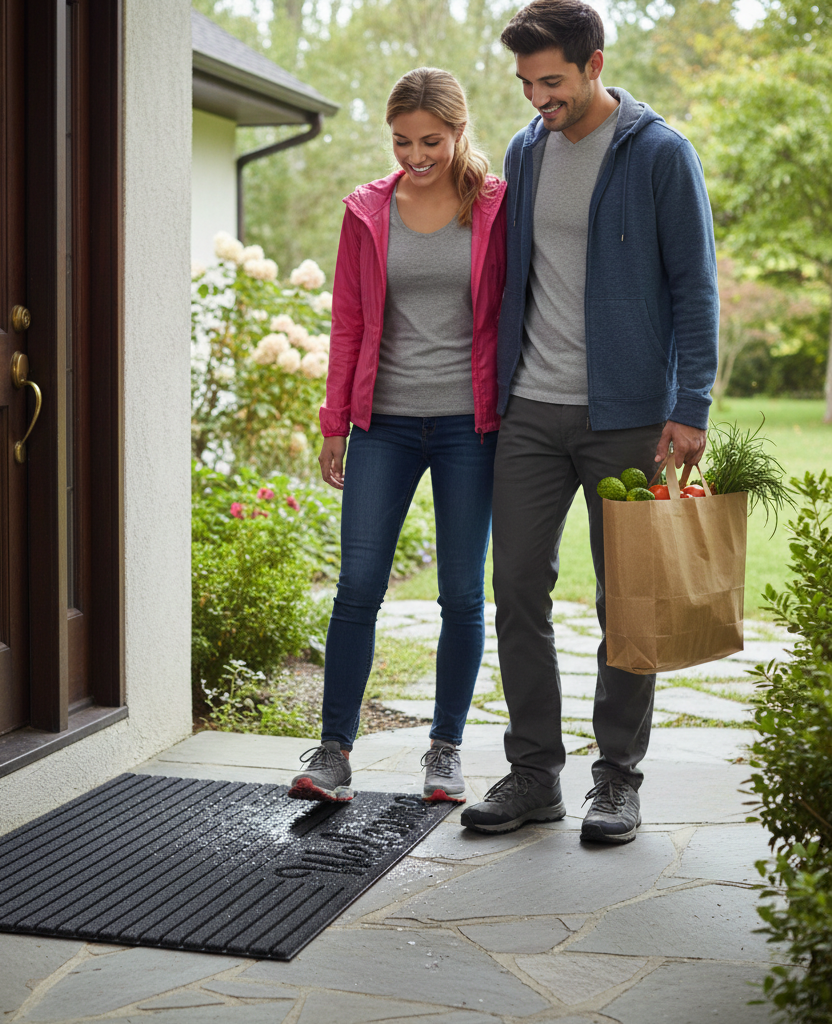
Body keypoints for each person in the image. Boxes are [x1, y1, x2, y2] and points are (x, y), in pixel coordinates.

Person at [460, 0, 719, 843]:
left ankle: (618, 779)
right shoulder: (526, 150)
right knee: (516, 590)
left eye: (554, 82)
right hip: (531, 409)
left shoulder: (660, 153)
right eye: (529, 83)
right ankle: (535, 773)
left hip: (629, 419)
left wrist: (691, 407)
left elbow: (695, 285)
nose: (540, 99)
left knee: (629, 602)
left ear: (595, 64)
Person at [287, 67, 508, 805]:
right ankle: (333, 752)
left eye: (432, 142)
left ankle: (444, 751)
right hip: (381, 422)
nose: (415, 156)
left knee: (461, 594)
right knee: (357, 586)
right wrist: (334, 425)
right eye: (403, 142)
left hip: (467, 428)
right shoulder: (367, 212)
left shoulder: (496, 206)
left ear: (459, 130)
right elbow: (347, 321)